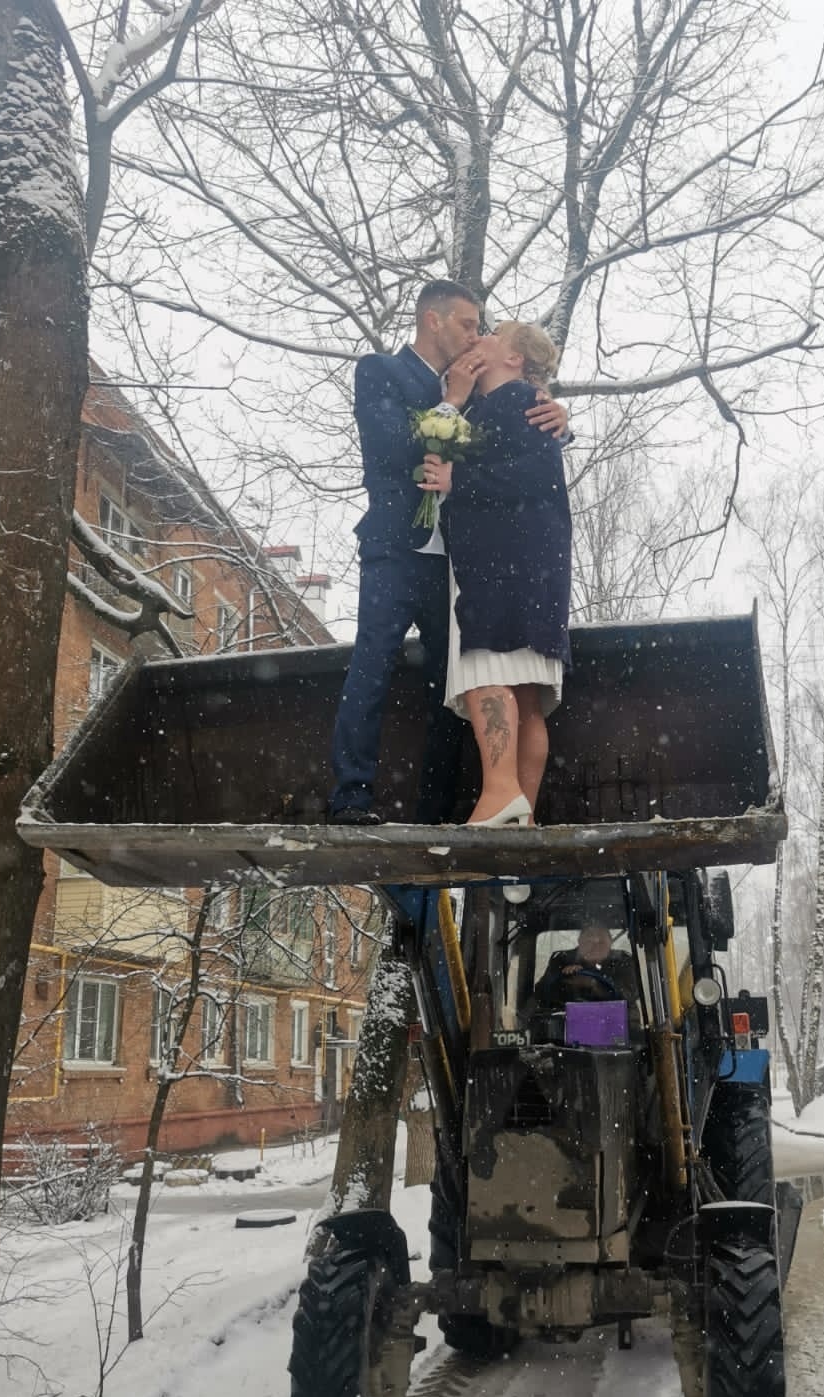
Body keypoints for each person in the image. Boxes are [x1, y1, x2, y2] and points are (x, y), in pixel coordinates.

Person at [329, 282, 566, 825]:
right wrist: (451, 400)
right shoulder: (381, 372)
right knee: (372, 663)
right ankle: (351, 796)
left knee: (449, 686)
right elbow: (389, 445)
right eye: (467, 324)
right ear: (432, 321)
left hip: (456, 564)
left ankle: (436, 809)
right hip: (396, 548)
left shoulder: (486, 390)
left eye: (482, 327)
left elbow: (512, 439)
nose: (476, 335)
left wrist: (555, 414)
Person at [420, 322, 572, 826]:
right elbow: (541, 467)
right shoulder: (521, 404)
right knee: (526, 694)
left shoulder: (513, 402)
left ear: (513, 359)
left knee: (486, 672)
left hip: (497, 566)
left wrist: (457, 478)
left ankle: (502, 793)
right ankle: (520, 819)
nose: (479, 338)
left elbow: (536, 475)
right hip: (533, 567)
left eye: (493, 335)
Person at [533, 924, 638, 1010]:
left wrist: (594, 984)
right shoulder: (561, 960)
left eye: (601, 942)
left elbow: (629, 997)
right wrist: (564, 978)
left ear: (610, 943)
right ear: (580, 941)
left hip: (618, 1024)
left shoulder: (622, 961)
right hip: (564, 1024)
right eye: (589, 941)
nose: (595, 945)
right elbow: (541, 995)